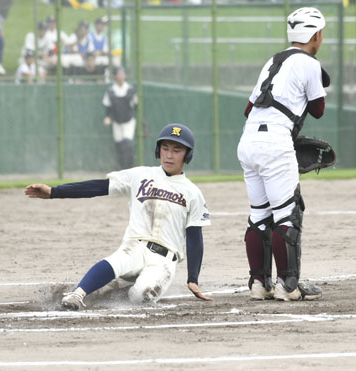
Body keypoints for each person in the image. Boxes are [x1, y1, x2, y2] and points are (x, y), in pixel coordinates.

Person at [25, 123, 212, 310]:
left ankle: (124, 291)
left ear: (187, 155)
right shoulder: (140, 175)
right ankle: (77, 294)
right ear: (158, 150)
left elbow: (195, 237)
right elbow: (97, 187)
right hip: (135, 245)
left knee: (142, 297)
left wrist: (193, 278)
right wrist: (53, 192)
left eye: (177, 150)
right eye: (165, 148)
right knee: (117, 260)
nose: (169, 155)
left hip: (164, 261)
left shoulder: (193, 193)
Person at [237, 7, 326, 302]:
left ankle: (259, 284)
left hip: (249, 140)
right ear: (315, 36)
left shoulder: (273, 61)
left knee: (260, 216)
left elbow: (249, 109)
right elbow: (318, 110)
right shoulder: (310, 63)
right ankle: (290, 287)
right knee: (288, 213)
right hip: (276, 142)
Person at [102, 67, 138, 169]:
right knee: (119, 146)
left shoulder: (130, 89)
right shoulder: (111, 91)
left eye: (123, 74)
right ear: (115, 76)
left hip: (128, 121)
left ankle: (130, 167)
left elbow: (136, 105)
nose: (121, 76)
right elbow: (107, 107)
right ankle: (122, 168)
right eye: (119, 74)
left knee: (127, 144)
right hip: (116, 122)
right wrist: (107, 117)